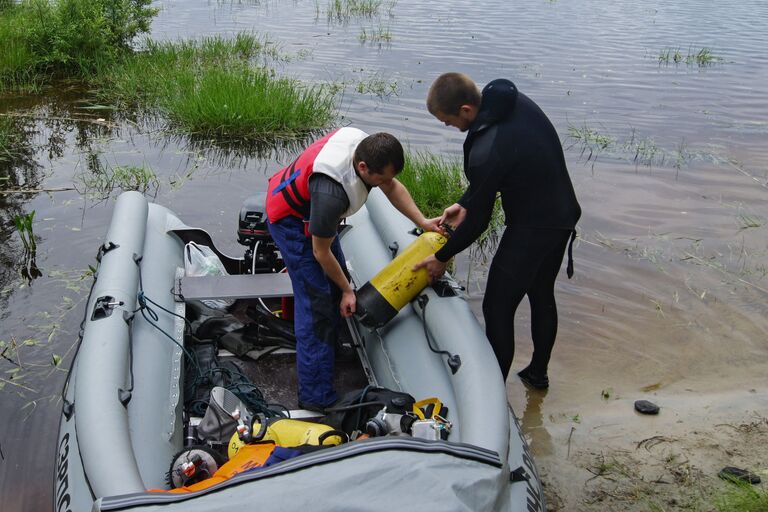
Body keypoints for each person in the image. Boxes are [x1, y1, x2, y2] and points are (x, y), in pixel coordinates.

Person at [414, 73, 581, 389]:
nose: (448, 127)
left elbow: (479, 221)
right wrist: (463, 203)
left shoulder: (486, 145)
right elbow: (496, 178)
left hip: (532, 226)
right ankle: (537, 374)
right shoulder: (508, 101)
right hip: (563, 216)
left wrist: (441, 257)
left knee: (496, 306)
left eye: (448, 121)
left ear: (465, 110)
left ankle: (492, 393)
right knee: (541, 293)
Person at [265, 128, 439, 410]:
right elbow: (320, 252)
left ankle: (330, 350)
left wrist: (423, 220)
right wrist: (348, 289)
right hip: (291, 222)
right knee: (316, 304)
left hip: (315, 215)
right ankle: (315, 395)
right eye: (381, 178)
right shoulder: (332, 191)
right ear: (362, 167)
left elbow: (392, 187)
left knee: (333, 286)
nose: (386, 183)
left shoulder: (365, 146)